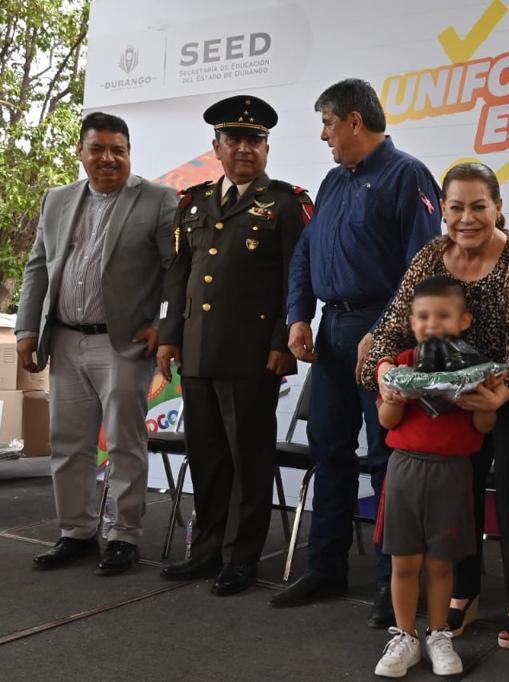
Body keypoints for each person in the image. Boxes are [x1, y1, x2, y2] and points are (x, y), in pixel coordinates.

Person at [363, 162, 509, 650]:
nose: (467, 217)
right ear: (442, 209)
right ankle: (464, 591)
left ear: (499, 207)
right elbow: (394, 325)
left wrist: (501, 392)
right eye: (455, 206)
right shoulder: (431, 256)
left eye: (479, 205)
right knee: (460, 480)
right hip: (453, 382)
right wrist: (384, 375)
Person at [277, 79, 442, 625]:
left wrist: (390, 334)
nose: (323, 135)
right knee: (329, 451)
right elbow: (306, 252)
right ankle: (325, 568)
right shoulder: (331, 181)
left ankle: (390, 585)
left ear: (353, 120)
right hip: (332, 331)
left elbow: (424, 269)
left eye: (327, 123)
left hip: (383, 332)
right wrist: (298, 314)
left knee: (385, 461)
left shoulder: (407, 174)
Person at [155, 95, 309, 596]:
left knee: (249, 459)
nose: (244, 148)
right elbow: (179, 276)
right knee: (207, 457)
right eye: (234, 139)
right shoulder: (194, 201)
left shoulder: (286, 203)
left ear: (267, 147)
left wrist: (282, 341)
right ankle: (206, 550)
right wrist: (170, 336)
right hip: (197, 353)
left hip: (253, 354)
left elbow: (296, 278)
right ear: (216, 146)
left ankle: (241, 558)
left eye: (255, 140)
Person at [16, 112, 176, 574]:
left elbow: (177, 271)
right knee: (68, 442)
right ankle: (77, 532)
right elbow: (38, 267)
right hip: (64, 339)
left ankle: (124, 536)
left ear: (129, 153)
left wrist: (165, 329)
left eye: (118, 150)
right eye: (98, 149)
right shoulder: (57, 199)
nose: (108, 159)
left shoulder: (159, 200)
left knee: (125, 443)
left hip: (121, 344)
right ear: (81, 153)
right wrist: (28, 329)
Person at [372, 276, 499, 678]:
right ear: (411, 322)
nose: (432, 324)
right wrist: (394, 397)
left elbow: (483, 426)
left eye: (443, 316)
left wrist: (482, 399)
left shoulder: (475, 367)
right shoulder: (402, 364)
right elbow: (386, 421)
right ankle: (405, 635)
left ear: (464, 321)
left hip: (453, 472)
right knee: (404, 561)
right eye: (423, 317)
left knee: (442, 564)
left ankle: (439, 633)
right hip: (405, 468)